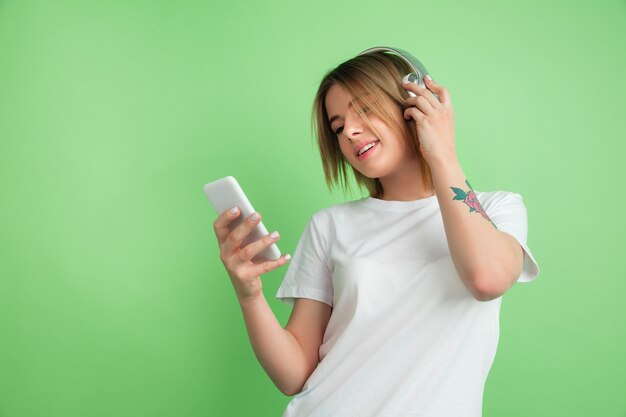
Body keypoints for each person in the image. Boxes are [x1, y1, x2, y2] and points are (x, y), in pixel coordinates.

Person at [212, 47, 540, 417]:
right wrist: (249, 295)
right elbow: (294, 375)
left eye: (365, 109)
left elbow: (487, 279)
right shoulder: (330, 225)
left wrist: (443, 152)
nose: (350, 131)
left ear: (416, 103)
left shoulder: (497, 210)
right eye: (338, 126)